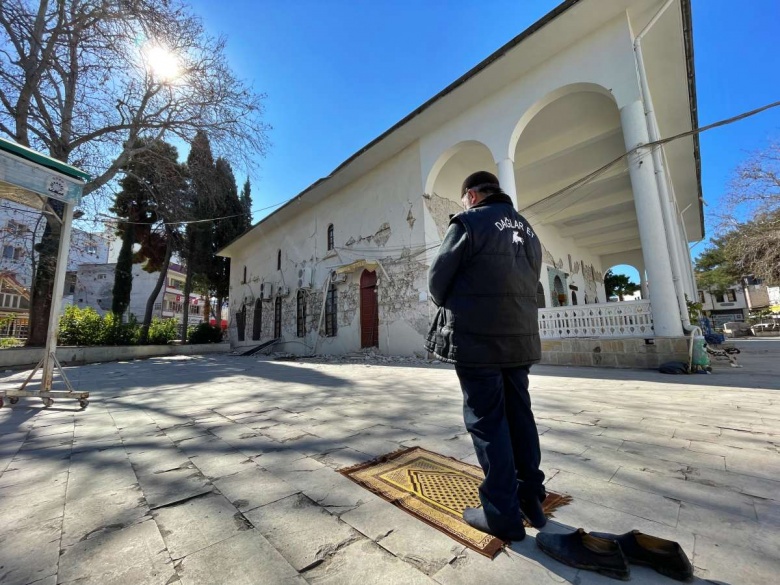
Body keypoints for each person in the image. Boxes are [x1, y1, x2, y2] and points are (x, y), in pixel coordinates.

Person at [426, 170, 546, 542]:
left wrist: (449, 302)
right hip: (519, 338)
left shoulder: (468, 221)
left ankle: (501, 515)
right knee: (519, 416)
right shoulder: (529, 231)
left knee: (488, 420)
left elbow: (437, 279)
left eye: (464, 198)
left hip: (478, 338)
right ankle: (532, 501)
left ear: (472, 196)